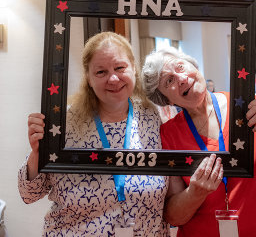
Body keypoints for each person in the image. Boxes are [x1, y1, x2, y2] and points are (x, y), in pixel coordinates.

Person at [18, 32, 170, 236]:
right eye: (101, 72)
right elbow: (29, 194)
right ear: (88, 78)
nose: (113, 78)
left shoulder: (153, 116)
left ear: (133, 68)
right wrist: (37, 152)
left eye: (120, 67)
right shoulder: (63, 123)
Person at [142, 46, 256, 237]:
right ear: (166, 99)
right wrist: (194, 193)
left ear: (193, 65)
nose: (182, 79)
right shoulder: (169, 134)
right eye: (169, 80)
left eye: (180, 67)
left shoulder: (246, 104)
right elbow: (174, 217)